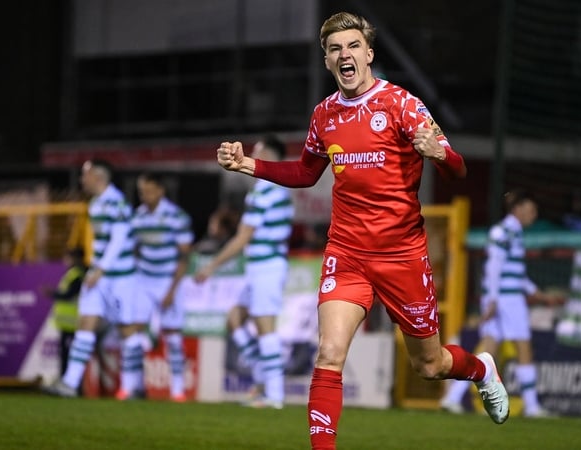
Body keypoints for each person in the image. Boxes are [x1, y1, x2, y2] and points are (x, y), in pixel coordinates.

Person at [214, 12, 509, 449]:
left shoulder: (402, 105)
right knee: (329, 353)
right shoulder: (324, 115)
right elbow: (305, 173)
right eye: (335, 49)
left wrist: (439, 154)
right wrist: (249, 165)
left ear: (368, 54)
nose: (344, 54)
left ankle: (481, 369)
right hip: (347, 253)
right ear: (327, 60)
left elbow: (458, 170)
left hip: (402, 255)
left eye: (353, 46)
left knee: (429, 365)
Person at [440, 190, 565, 417]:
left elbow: (514, 273)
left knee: (487, 350)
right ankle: (532, 406)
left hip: (501, 298)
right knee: (524, 347)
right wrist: (493, 300)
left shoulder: (512, 233)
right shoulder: (504, 232)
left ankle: (452, 398)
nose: (534, 215)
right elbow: (493, 267)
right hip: (507, 299)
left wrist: (538, 294)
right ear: (517, 209)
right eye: (530, 210)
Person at [196, 135, 294, 410]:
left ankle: (274, 395)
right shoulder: (278, 188)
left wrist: (212, 265)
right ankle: (262, 380)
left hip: (267, 267)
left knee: (265, 328)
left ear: (270, 156)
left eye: (257, 152)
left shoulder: (264, 190)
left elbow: (243, 237)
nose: (251, 156)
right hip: (261, 266)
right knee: (235, 319)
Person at [44, 159, 142, 398]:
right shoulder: (96, 203)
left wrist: (100, 270)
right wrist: (96, 270)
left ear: (98, 176)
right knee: (85, 324)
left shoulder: (117, 202)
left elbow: (119, 240)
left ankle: (132, 387)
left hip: (120, 278)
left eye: (84, 175)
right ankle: (70, 383)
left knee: (127, 329)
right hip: (100, 275)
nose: (81, 180)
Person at [130, 172, 194, 402]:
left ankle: (177, 390)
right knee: (135, 332)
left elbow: (184, 257)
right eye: (141, 192)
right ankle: (134, 387)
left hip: (169, 281)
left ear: (160, 191)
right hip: (144, 281)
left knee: (173, 335)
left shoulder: (177, 217)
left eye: (148, 191)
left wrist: (171, 290)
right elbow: (134, 249)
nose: (144, 196)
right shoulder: (137, 217)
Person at [41, 247, 87, 377]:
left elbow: (69, 294)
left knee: (70, 353)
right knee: (65, 352)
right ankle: (65, 378)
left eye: (68, 257)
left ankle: (69, 378)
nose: (65, 260)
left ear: (75, 258)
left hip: (73, 322)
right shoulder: (73, 273)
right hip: (68, 322)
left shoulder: (78, 275)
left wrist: (53, 293)